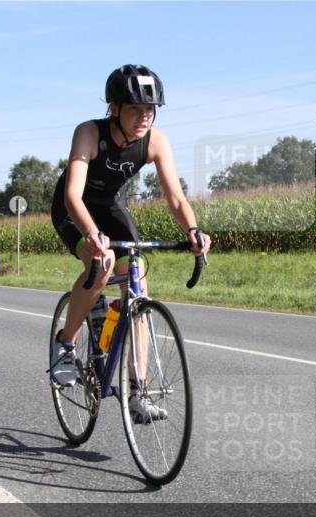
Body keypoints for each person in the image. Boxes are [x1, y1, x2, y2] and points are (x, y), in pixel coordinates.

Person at [49, 64, 210, 421]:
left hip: (110, 209)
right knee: (102, 263)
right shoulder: (89, 133)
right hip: (72, 210)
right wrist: (91, 236)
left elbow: (176, 199)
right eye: (135, 109)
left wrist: (193, 231)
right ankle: (65, 345)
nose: (144, 117)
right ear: (114, 108)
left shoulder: (156, 141)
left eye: (150, 110)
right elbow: (73, 195)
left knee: (137, 285)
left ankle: (139, 391)